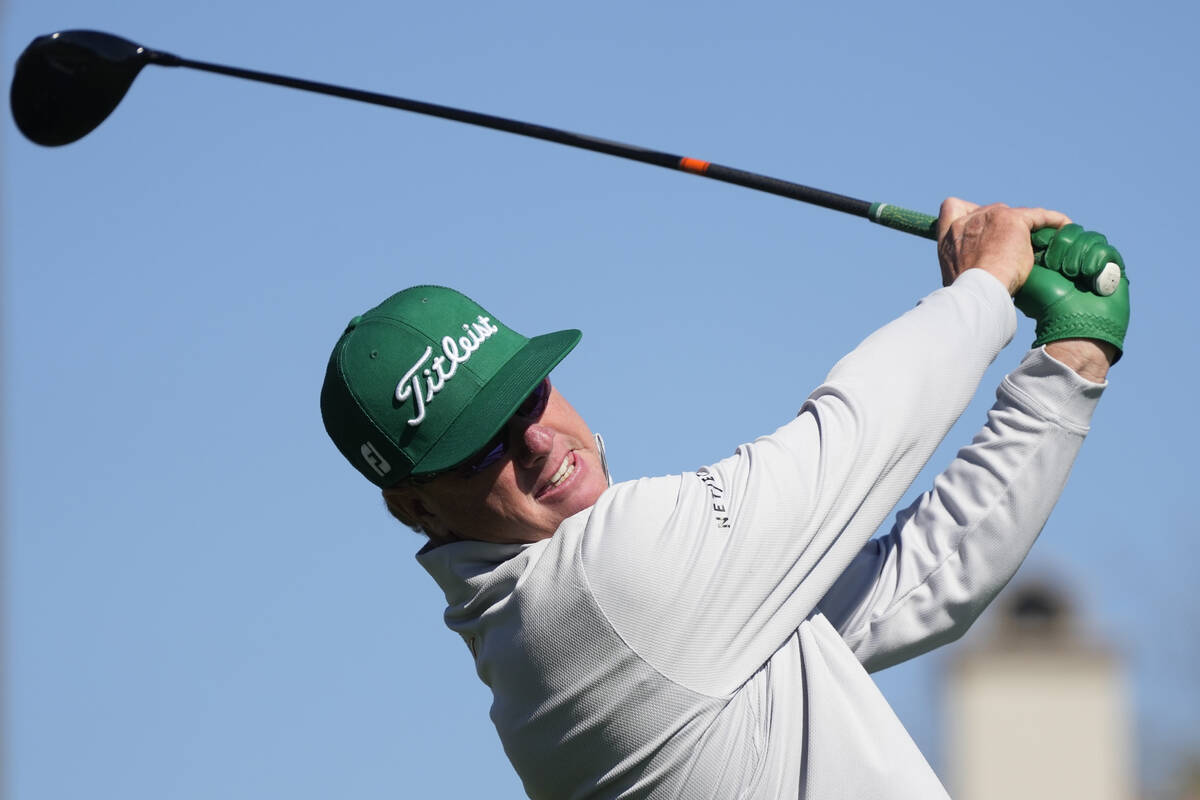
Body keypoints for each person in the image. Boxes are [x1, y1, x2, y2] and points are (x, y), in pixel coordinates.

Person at [319, 198, 1130, 799]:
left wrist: (1070, 363)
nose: (534, 440)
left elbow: (921, 582)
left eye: (528, 398)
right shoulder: (599, 586)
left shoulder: (657, 623)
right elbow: (853, 439)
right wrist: (985, 282)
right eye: (483, 448)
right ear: (415, 509)